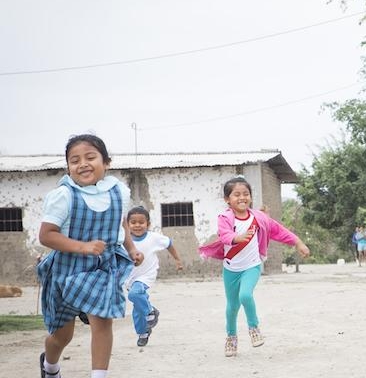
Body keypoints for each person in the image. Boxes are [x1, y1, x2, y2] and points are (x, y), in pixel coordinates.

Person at [36, 134, 144, 378]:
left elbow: (121, 224)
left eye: (90, 157)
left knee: (102, 320)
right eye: (74, 160)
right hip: (66, 270)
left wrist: (131, 248)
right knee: (62, 335)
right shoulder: (64, 196)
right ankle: (50, 366)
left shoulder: (119, 192)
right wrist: (82, 247)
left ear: (106, 162)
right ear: (68, 167)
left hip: (102, 269)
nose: (82, 163)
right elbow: (46, 235)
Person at [198, 176, 310, 357]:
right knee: (232, 307)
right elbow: (224, 234)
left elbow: (279, 231)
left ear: (250, 197)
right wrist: (237, 238)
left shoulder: (259, 218)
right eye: (236, 195)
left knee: (245, 295)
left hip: (252, 266)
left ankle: (254, 328)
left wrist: (298, 242)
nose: (242, 198)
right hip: (231, 269)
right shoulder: (224, 217)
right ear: (227, 199)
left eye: (246, 194)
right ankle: (231, 338)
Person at [124, 206, 184, 347]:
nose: (137, 225)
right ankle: (143, 332)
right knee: (137, 305)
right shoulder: (123, 239)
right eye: (133, 222)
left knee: (135, 294)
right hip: (129, 277)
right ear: (127, 224)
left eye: (141, 222)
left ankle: (150, 311)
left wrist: (177, 260)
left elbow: (169, 244)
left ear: (148, 224)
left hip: (146, 275)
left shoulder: (154, 238)